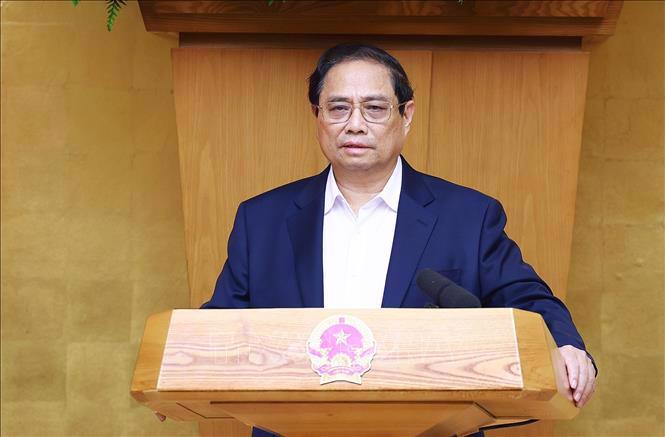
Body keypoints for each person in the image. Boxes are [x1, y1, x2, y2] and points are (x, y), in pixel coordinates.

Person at [202, 43, 596, 436]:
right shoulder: (261, 219)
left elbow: (527, 298)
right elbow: (222, 326)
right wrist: (179, 372)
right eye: (339, 108)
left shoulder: (468, 216)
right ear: (317, 116)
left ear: (406, 115)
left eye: (374, 108)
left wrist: (565, 345)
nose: (355, 124)